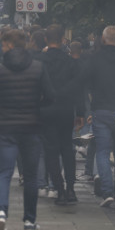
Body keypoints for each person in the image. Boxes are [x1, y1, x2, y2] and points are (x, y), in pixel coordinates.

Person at [0, 29, 54, 230]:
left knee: (5, 172)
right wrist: (36, 106)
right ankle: (29, 221)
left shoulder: (0, 70)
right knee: (31, 176)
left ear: (8, 46)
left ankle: (1, 213)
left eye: (4, 45)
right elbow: (50, 96)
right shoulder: (38, 68)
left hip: (6, 126)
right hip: (31, 127)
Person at [78, 26, 115, 207]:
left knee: (102, 151)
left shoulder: (94, 59)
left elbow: (82, 82)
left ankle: (107, 191)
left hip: (102, 112)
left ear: (103, 40)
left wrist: (87, 110)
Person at [40, 24, 84, 206]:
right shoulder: (70, 62)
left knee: (51, 150)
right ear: (63, 39)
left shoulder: (40, 61)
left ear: (45, 40)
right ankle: (71, 188)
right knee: (67, 148)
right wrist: (80, 112)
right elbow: (78, 88)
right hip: (66, 109)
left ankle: (58, 189)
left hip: (47, 109)